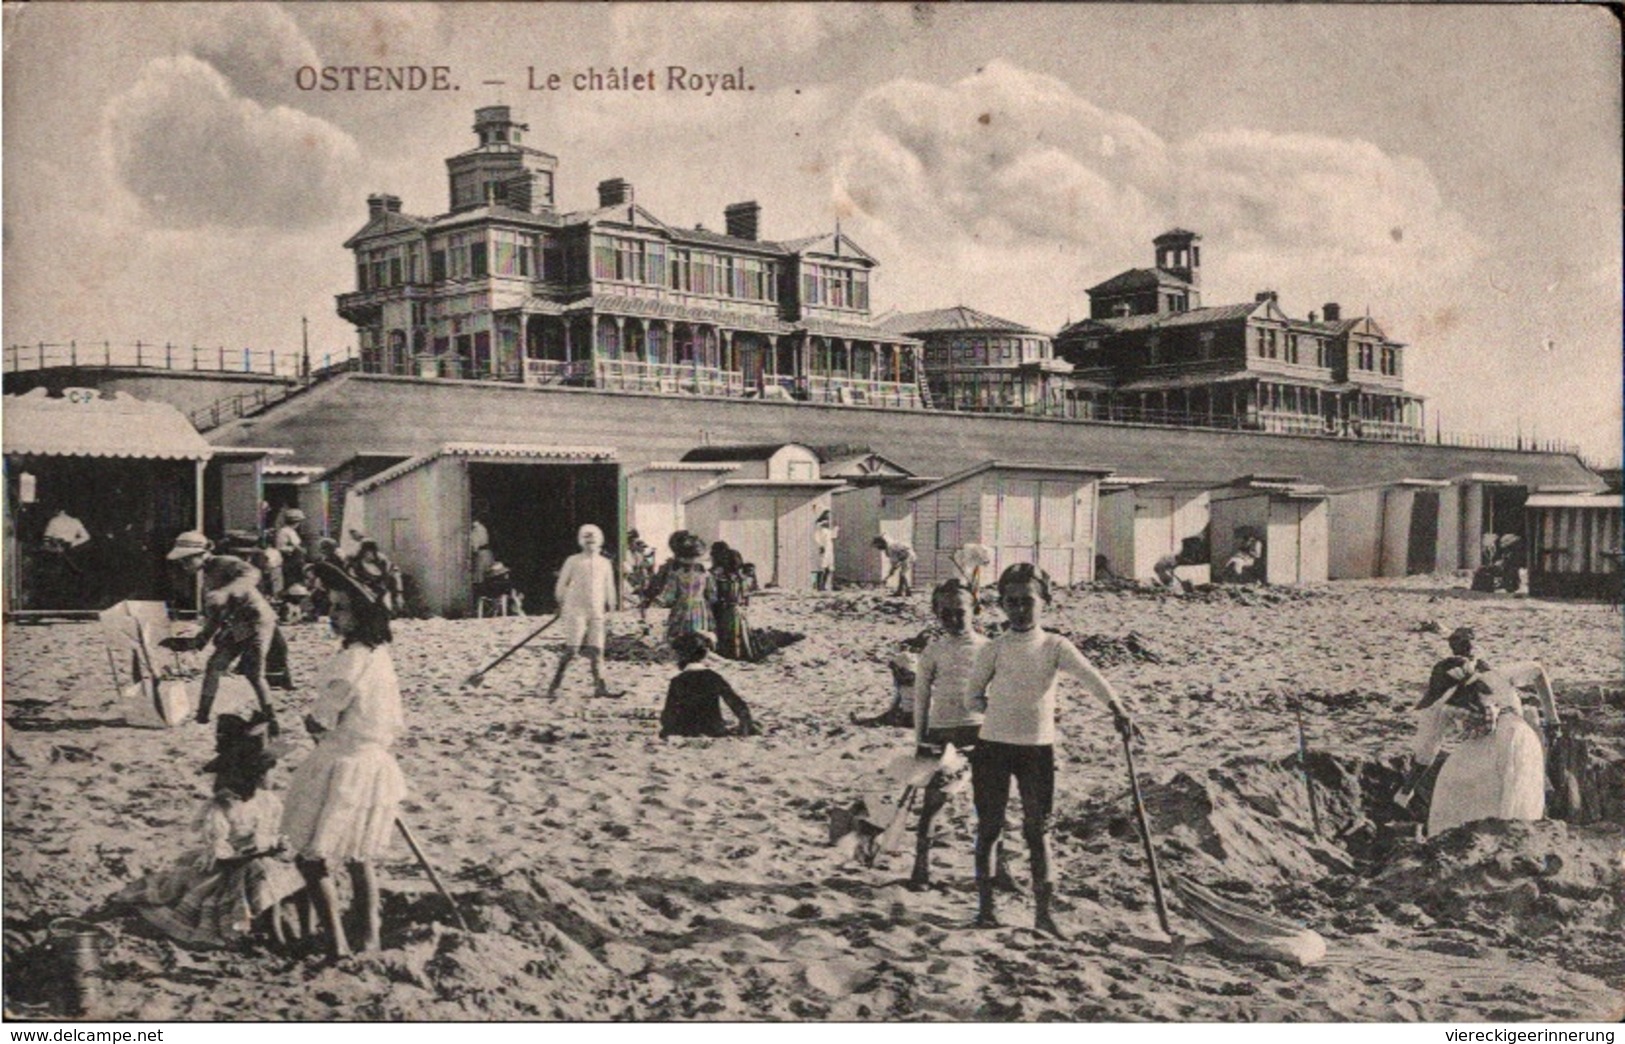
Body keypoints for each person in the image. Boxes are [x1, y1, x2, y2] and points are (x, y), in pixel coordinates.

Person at [965, 563, 1135, 938]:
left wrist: (1118, 709)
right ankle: (986, 910)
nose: (1019, 610)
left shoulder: (1055, 646)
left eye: (1027, 601)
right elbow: (972, 694)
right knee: (990, 829)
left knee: (1037, 831)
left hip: (1037, 751)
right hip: (992, 748)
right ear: (1001, 605)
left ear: (1045, 601)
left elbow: (1092, 677)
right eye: (1011, 602)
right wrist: (998, 713)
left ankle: (1043, 915)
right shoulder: (994, 648)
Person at [280, 561, 408, 960]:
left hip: (343, 763)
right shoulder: (379, 654)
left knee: (311, 856)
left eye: (341, 609)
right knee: (358, 855)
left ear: (361, 615)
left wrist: (312, 724)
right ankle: (369, 935)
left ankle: (336, 942)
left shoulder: (349, 661)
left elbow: (321, 717)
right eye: (332, 607)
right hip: (375, 762)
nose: (332, 617)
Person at [115, 712, 303, 949]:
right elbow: (220, 851)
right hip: (234, 869)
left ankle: (282, 927)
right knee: (259, 873)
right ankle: (277, 934)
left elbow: (277, 831)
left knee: (283, 872)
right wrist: (249, 851)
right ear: (251, 774)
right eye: (267, 771)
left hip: (264, 861)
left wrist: (276, 844)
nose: (272, 776)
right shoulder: (223, 807)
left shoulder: (270, 801)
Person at [1401, 628, 1563, 836]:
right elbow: (1538, 670)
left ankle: (1469, 841)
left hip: (1504, 739)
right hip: (1512, 738)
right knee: (1503, 801)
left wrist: (1406, 790)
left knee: (1454, 785)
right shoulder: (1490, 678)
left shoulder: (1450, 701)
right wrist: (1552, 720)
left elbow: (1426, 753)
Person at [162, 532, 291, 730]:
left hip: (258, 620)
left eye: (187, 560)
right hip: (237, 625)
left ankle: (271, 717)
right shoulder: (207, 580)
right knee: (214, 666)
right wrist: (198, 641)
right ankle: (202, 716)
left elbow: (252, 574)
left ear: (202, 553)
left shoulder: (224, 562)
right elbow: (216, 617)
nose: (185, 565)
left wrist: (226, 591)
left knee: (254, 673)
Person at [909, 579, 990, 889]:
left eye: (960, 612)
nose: (954, 620)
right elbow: (920, 699)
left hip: (982, 732)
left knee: (989, 805)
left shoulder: (988, 648)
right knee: (933, 803)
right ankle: (921, 868)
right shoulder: (933, 651)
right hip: (942, 734)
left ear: (975, 610)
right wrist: (920, 740)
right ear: (936, 614)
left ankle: (998, 871)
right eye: (946, 614)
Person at [545, 524, 620, 698]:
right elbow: (561, 584)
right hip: (575, 610)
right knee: (572, 650)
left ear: (600, 540)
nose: (590, 541)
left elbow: (609, 586)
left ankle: (600, 687)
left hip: (597, 611)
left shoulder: (605, 563)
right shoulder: (573, 560)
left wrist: (612, 605)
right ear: (580, 540)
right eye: (586, 538)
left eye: (593, 538)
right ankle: (554, 686)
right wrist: (560, 602)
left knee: (597, 651)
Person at [660, 631, 759, 738]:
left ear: (680, 656)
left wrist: (667, 730)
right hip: (713, 730)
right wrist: (746, 724)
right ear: (704, 654)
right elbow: (736, 704)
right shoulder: (714, 677)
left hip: (685, 730)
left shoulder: (677, 681)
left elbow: (668, 715)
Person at [655, 532, 716, 648]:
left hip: (682, 604)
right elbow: (712, 593)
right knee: (698, 627)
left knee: (681, 628)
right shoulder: (705, 574)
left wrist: (664, 600)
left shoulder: (677, 574)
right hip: (699, 605)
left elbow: (670, 593)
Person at [711, 547, 757, 662]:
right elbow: (746, 596)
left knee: (726, 632)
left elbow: (717, 595)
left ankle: (729, 653)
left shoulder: (722, 580)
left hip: (726, 609)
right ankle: (740, 654)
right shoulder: (742, 580)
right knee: (741, 633)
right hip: (738, 610)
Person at [851, 651, 919, 727]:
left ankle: (864, 722)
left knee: (888, 719)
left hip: (914, 716)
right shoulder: (913, 681)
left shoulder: (909, 684)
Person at [274, 509, 307, 592]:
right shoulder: (286, 531)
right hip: (290, 560)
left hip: (293, 560)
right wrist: (298, 550)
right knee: (291, 581)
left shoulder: (288, 531)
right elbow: (283, 547)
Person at [624, 530, 656, 604]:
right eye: (632, 542)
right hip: (630, 584)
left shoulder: (638, 554)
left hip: (639, 583)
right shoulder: (626, 553)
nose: (634, 544)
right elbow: (629, 572)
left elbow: (645, 566)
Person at [814, 511, 839, 591]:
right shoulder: (820, 528)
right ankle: (819, 586)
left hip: (829, 548)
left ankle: (824, 585)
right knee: (821, 567)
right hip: (824, 548)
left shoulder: (827, 529)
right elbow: (817, 538)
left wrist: (836, 528)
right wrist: (820, 546)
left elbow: (833, 536)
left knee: (828, 567)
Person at [470, 512, 494, 587]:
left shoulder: (476, 530)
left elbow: (475, 546)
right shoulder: (482, 528)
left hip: (482, 554)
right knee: (485, 575)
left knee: (479, 577)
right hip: (486, 553)